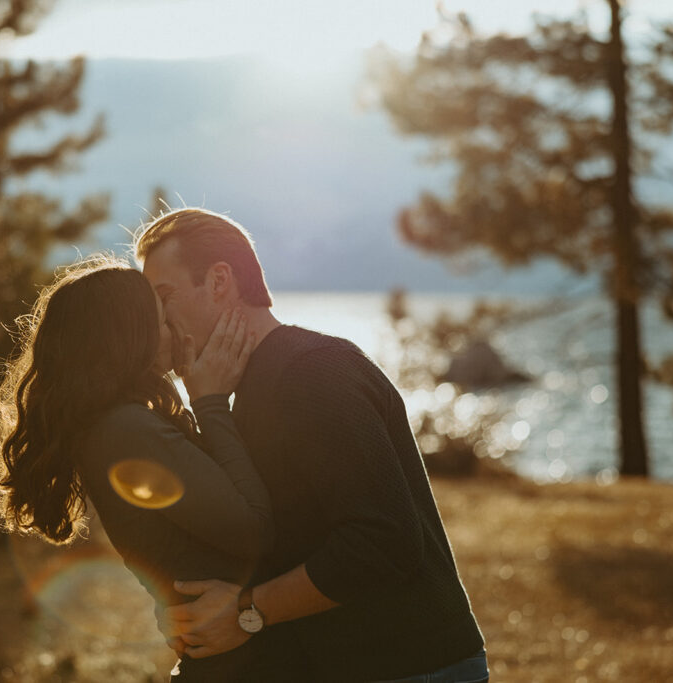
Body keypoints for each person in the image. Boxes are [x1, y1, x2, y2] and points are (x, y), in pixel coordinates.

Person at [135, 208, 489, 682]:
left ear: (219, 281)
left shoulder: (315, 373)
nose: (160, 320)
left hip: (412, 665)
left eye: (166, 296)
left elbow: (384, 541)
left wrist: (245, 612)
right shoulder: (246, 391)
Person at [0, 256, 276, 682]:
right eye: (161, 320)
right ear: (130, 339)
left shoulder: (119, 424)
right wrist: (210, 402)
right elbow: (254, 530)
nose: (174, 330)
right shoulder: (126, 430)